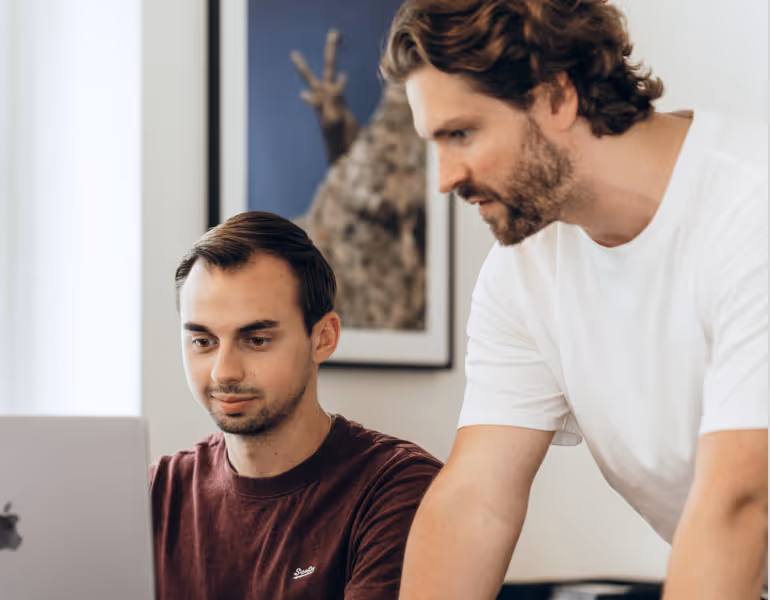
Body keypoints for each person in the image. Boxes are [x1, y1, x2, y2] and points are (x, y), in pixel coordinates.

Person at [380, 0, 768, 598]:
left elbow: (742, 501)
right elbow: (474, 503)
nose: (444, 178)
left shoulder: (751, 205)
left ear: (557, 97)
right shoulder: (524, 270)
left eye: (461, 133)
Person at [149, 211, 441, 599]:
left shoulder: (400, 490)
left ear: (323, 338)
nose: (224, 372)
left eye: (256, 340)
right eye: (203, 342)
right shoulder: (157, 493)